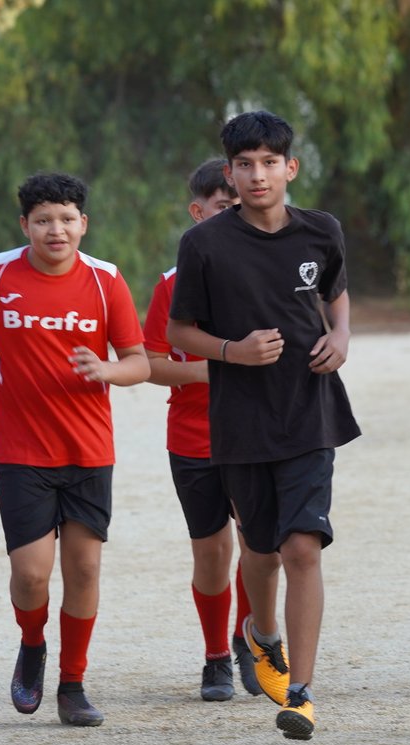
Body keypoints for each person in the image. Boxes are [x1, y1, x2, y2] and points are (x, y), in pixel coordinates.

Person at [167, 110, 361, 741]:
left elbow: (335, 293)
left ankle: (301, 693)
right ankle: (260, 632)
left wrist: (342, 334)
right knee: (260, 550)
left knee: (303, 546)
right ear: (230, 172)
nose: (257, 175)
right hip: (242, 419)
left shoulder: (321, 231)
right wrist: (233, 352)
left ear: (290, 168)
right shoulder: (203, 244)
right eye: (244, 165)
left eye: (269, 163)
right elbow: (178, 332)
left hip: (311, 410)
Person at [0, 172, 149, 727]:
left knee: (83, 569)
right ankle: (33, 645)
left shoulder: (106, 281)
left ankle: (72, 684)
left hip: (88, 451)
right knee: (31, 576)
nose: (57, 230)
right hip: (22, 453)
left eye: (67, 219)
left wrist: (107, 368)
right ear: (24, 224)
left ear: (84, 223)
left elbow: (140, 360)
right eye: (44, 220)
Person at [142, 158, 262, 701]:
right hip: (195, 438)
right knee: (213, 552)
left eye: (239, 206)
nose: (234, 216)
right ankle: (216, 656)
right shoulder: (173, 285)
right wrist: (225, 363)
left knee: (263, 548)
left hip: (261, 434)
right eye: (222, 208)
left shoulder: (269, 272)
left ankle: (248, 639)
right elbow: (150, 363)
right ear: (198, 214)